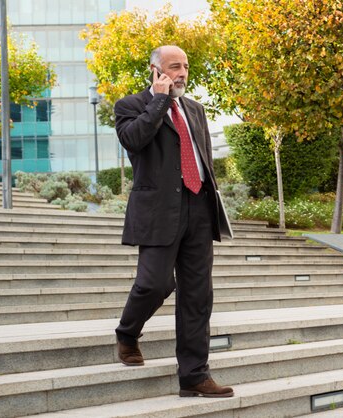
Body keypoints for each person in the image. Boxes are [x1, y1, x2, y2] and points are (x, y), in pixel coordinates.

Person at [113, 45, 233, 398]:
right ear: (155, 70)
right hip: (158, 211)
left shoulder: (195, 109)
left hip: (198, 208)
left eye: (185, 66)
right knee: (154, 283)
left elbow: (202, 158)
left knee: (198, 295)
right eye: (174, 67)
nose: (182, 73)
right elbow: (134, 140)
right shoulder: (131, 106)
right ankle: (127, 333)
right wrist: (160, 100)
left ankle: (194, 375)